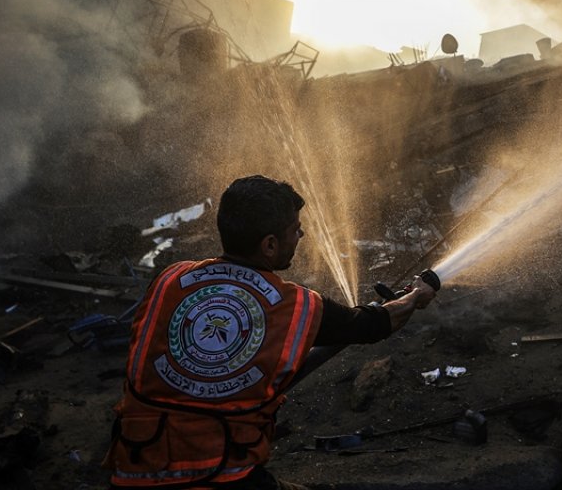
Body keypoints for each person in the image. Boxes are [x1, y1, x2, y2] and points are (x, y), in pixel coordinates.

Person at [104, 175, 435, 489]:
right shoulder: (293, 305)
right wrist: (416, 296)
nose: (300, 237)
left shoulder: (169, 280)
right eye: (296, 230)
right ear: (270, 245)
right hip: (222, 479)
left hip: (131, 472)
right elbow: (374, 324)